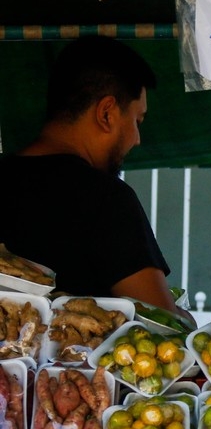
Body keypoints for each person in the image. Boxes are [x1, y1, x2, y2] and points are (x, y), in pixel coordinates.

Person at [0, 35, 195, 325]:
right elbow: (161, 322)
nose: (137, 139)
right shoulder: (108, 199)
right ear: (106, 113)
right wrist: (184, 317)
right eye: (137, 121)